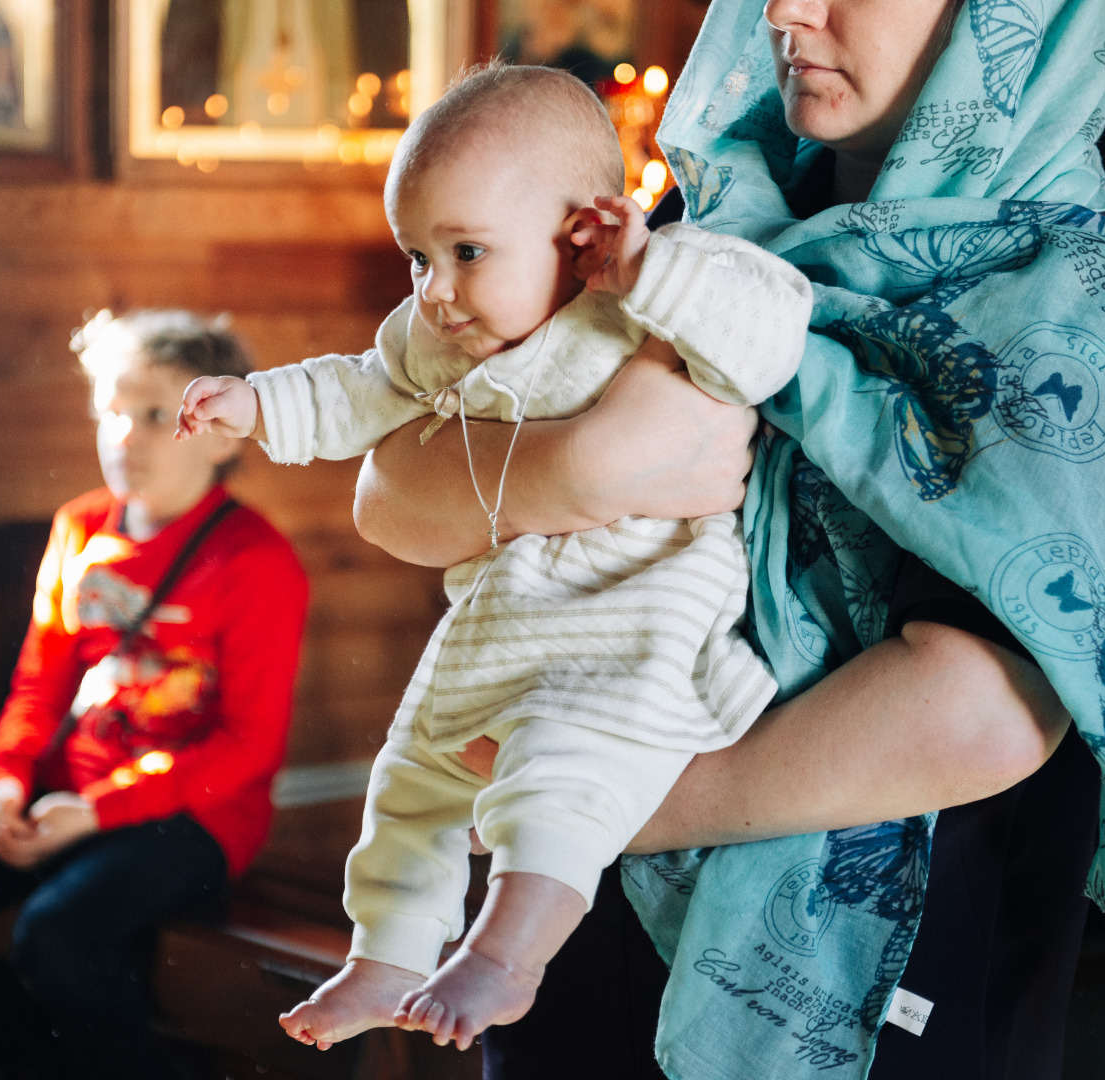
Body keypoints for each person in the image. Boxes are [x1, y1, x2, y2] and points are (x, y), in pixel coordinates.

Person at [350, 0, 1105, 1078]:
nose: (789, 11)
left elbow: (982, 715)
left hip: (870, 994)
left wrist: (601, 803)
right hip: (569, 949)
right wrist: (583, 465)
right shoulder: (684, 230)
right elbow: (393, 475)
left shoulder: (1084, 304)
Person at [176, 62, 814, 1053]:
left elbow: (771, 329)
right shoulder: (444, 336)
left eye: (465, 251)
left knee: (560, 776)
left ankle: (509, 954)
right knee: (410, 781)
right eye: (417, 260)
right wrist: (259, 405)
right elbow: (359, 389)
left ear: (583, 228)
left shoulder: (647, 304)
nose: (434, 293)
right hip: (499, 627)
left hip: (633, 626)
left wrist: (652, 269)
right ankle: (383, 959)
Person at [0, 310, 309, 1080]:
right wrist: (1, 786)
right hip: (69, 790)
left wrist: (97, 814)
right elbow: (38, 686)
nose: (124, 437)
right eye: (113, 412)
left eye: (157, 416)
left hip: (194, 816)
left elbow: (245, 748)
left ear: (226, 435)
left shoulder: (256, 561)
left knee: (58, 933)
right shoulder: (79, 527)